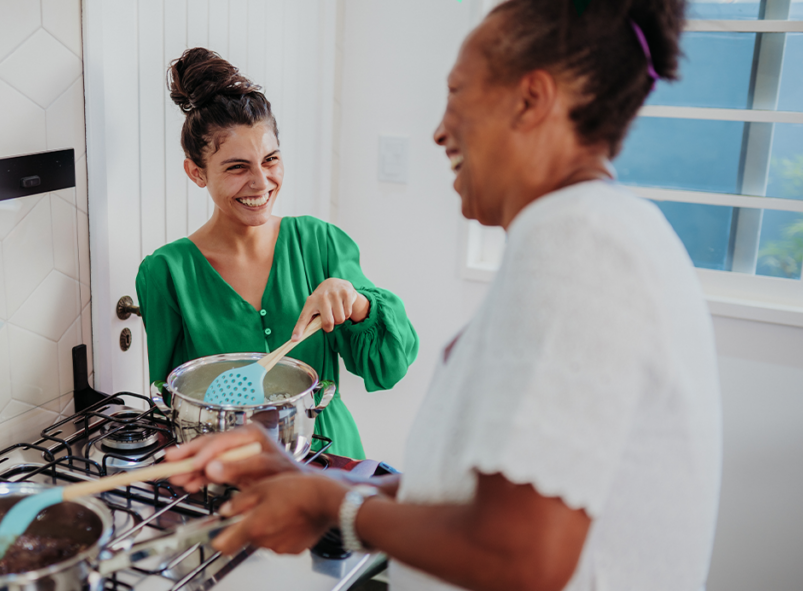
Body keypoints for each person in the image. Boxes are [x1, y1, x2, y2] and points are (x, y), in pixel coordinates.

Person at [163, 1, 723, 590]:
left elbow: (522, 557)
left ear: (530, 100)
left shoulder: (576, 248)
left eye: (457, 93)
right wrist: (319, 485)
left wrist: (333, 505)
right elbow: (473, 494)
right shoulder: (601, 233)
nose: (439, 130)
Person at [136, 48, 419, 460]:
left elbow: (389, 365)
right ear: (197, 172)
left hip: (329, 456)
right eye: (237, 167)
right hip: (233, 466)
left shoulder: (319, 242)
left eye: (270, 160)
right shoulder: (166, 273)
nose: (261, 182)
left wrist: (355, 302)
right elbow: (173, 401)